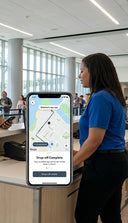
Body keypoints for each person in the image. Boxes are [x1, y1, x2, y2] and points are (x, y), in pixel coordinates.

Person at [73, 53, 128, 223]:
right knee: (110, 216)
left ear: (94, 71)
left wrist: (69, 165)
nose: (79, 75)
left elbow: (95, 140)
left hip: (103, 164)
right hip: (115, 161)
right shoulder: (112, 95)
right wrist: (80, 151)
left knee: (84, 216)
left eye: (82, 71)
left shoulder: (100, 97)